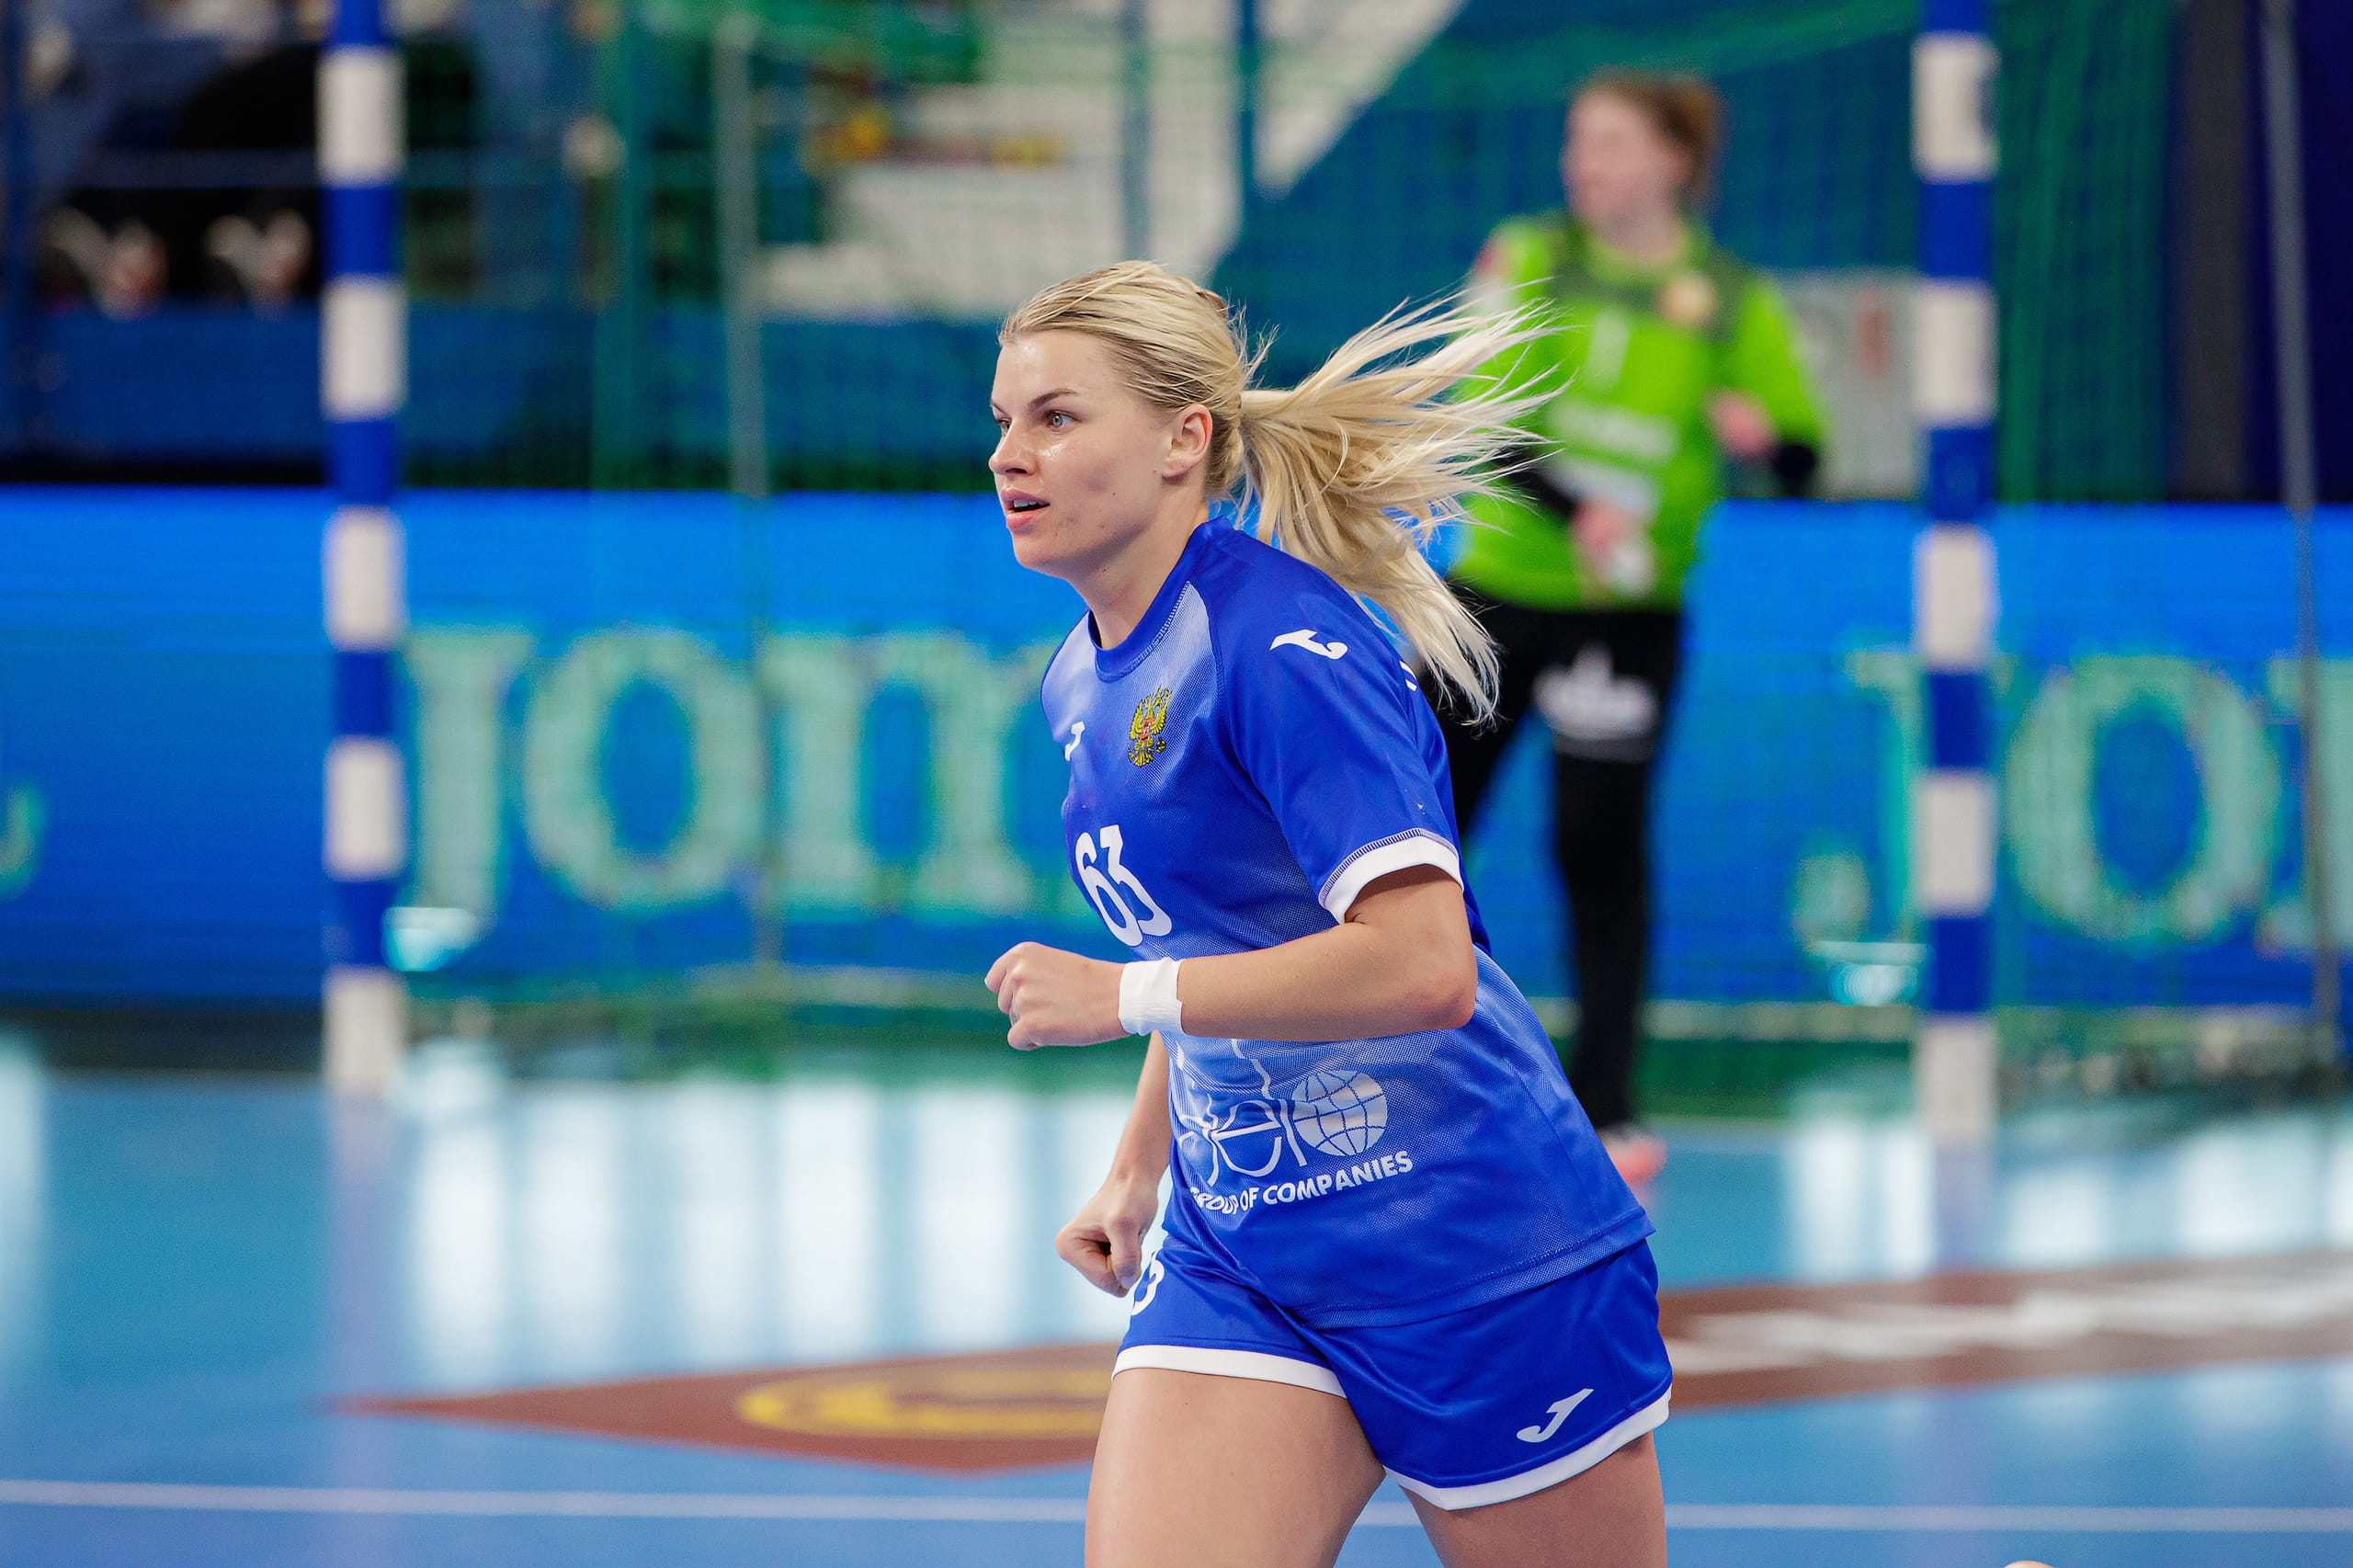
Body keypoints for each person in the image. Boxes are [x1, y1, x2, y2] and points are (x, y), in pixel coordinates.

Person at [981, 261, 1671, 1568]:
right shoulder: (1082, 677)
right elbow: (1220, 938)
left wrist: (1124, 995)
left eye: (1057, 418)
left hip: (1471, 1248)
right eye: (1006, 420)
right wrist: (1140, 1164)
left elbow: (1424, 967)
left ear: (1184, 439)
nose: (1011, 455)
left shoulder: (1285, 646)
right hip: (1244, 1248)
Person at [1443, 71, 1828, 1186]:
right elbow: (1478, 415)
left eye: (1611, 142)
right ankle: (1386, 1070)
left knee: (1597, 848)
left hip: (1626, 618)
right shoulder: (1526, 255)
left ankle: (1604, 1104)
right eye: (1577, 140)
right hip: (1495, 597)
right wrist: (1578, 510)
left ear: (1673, 161)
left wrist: (1761, 441)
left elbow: (1803, 457)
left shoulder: (1727, 298)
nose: (1584, 162)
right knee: (1414, 832)